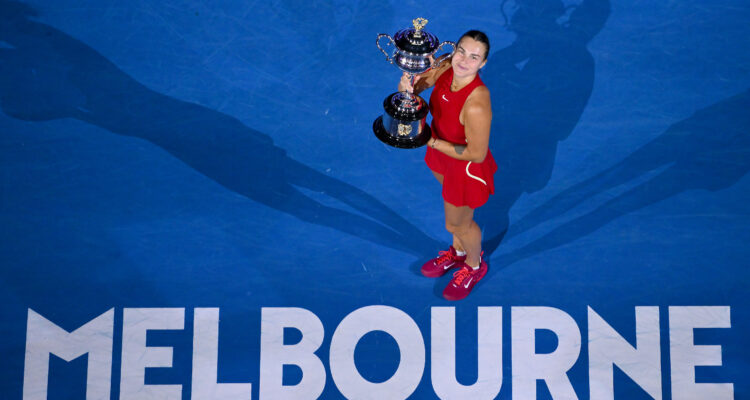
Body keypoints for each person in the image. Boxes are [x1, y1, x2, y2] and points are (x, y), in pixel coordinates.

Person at [399, 30, 497, 300]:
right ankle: (459, 252)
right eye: (462, 51)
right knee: (458, 217)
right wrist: (408, 81)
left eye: (474, 57)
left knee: (459, 225)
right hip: (442, 156)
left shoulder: (477, 103)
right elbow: (414, 91)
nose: (464, 60)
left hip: (464, 167)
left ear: (483, 64)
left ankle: (474, 266)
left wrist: (429, 141)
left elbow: (476, 154)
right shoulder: (445, 66)